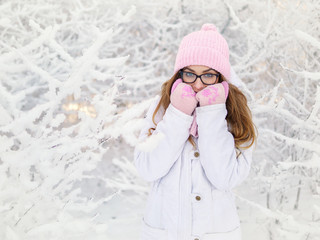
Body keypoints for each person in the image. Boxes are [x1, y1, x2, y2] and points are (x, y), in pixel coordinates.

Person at [134, 23, 257, 240]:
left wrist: (212, 113)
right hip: (164, 232)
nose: (198, 84)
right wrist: (178, 114)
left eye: (208, 75)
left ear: (221, 77)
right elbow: (148, 169)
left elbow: (225, 178)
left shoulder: (236, 115)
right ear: (179, 74)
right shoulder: (161, 107)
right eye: (190, 74)